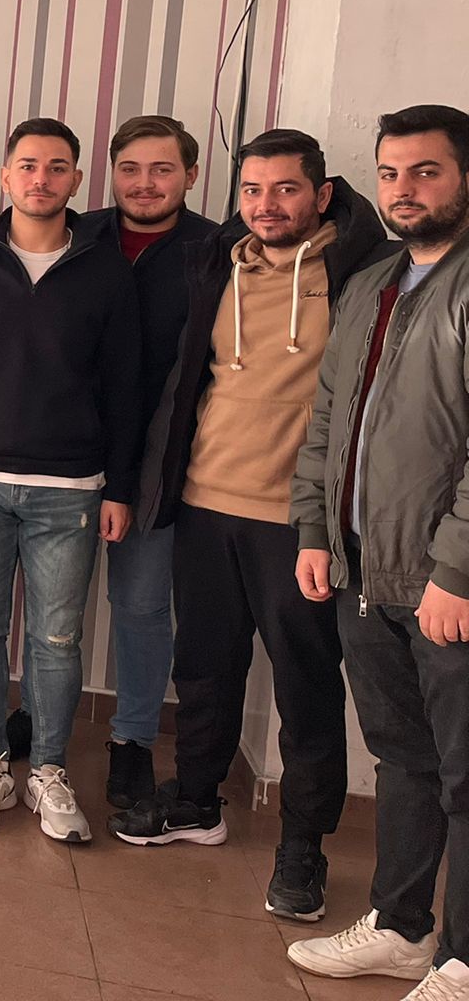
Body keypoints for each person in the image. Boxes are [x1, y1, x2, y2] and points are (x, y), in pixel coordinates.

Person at [114, 128, 387, 923]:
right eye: (253, 191)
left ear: (322, 194)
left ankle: (303, 846)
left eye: (286, 189)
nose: (267, 205)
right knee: (204, 667)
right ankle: (198, 801)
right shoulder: (218, 261)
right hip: (205, 502)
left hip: (298, 523)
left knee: (306, 687)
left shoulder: (360, 271)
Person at [0, 117, 140, 842]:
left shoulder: (105, 269)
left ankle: (47, 770)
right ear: (6, 176)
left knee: (57, 639)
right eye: (29, 166)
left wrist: (120, 487)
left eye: (58, 167)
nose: (42, 179)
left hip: (70, 489)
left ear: (76, 180)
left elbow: (125, 388)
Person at [287, 105, 469, 1001]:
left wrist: (457, 572)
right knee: (404, 760)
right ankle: (402, 927)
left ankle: (462, 960)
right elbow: (327, 419)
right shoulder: (372, 283)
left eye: (426, 171)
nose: (403, 190)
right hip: (366, 570)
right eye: (391, 173)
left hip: (446, 586)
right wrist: (315, 531)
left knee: (466, 777)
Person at [4, 116, 217, 804]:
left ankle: (132, 740)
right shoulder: (74, 231)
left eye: (162, 169)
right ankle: (38, 714)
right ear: (107, 174)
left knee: (141, 605)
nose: (144, 183)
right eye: (130, 169)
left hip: (158, 461)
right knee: (49, 604)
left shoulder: (215, 251)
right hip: (61, 453)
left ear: (191, 175)